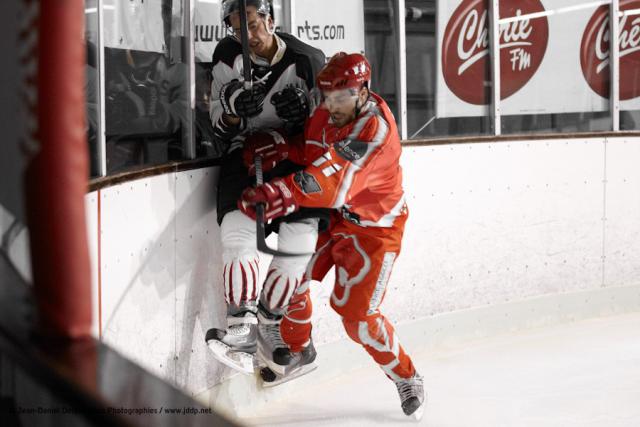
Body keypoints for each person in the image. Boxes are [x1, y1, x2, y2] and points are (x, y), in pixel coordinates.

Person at [239, 52, 425, 419]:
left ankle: (407, 376)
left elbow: (335, 175)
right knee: (293, 274)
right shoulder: (327, 110)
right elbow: (313, 151)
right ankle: (298, 350)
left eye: (341, 97)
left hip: (376, 229)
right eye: (326, 96)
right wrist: (280, 146)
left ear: (364, 91)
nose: (331, 105)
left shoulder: (376, 130)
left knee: (358, 320)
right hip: (334, 215)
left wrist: (284, 193)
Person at [204, 0, 328, 374]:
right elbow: (218, 126)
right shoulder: (227, 56)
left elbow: (327, 129)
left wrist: (305, 116)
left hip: (292, 155)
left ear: (272, 21)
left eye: (254, 26)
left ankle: (271, 323)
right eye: (238, 29)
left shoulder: (307, 60)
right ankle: (241, 327)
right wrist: (232, 108)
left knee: (300, 243)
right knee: (237, 232)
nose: (247, 37)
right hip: (246, 153)